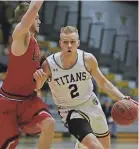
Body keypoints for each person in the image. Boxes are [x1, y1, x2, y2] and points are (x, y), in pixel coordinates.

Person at [33, 26, 132, 149]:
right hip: (69, 110)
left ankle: (80, 145)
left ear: (78, 43)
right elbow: (37, 87)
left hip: (91, 104)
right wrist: (39, 81)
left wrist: (121, 97)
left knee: (104, 146)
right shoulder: (48, 64)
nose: (69, 45)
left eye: (72, 42)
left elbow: (103, 83)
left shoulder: (88, 59)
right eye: (65, 42)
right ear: (60, 43)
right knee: (94, 146)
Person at [0, 1, 55, 149]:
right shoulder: (20, 36)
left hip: (27, 101)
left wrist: (40, 81)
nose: (39, 20)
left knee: (49, 123)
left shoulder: (35, 43)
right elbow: (34, 7)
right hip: (8, 102)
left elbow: (36, 85)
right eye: (36, 17)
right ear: (27, 17)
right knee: (10, 144)